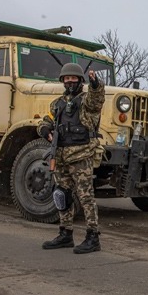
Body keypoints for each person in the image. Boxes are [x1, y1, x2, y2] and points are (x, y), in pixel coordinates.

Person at [38, 62, 105, 254]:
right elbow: (47, 120)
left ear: (79, 81)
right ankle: (65, 234)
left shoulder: (86, 102)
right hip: (61, 156)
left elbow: (97, 98)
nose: (69, 82)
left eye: (73, 78)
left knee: (86, 197)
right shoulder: (58, 103)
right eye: (66, 79)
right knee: (61, 196)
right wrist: (44, 128)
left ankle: (92, 237)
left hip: (81, 154)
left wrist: (95, 84)